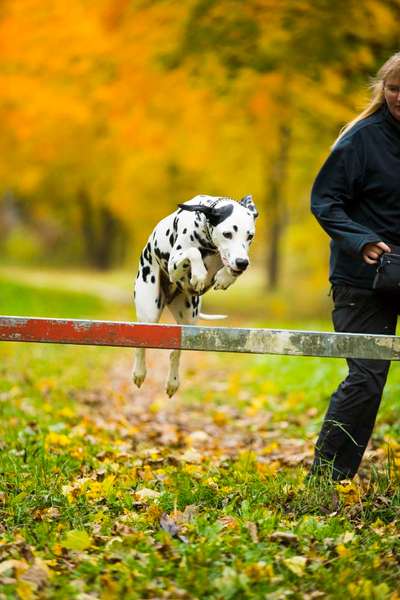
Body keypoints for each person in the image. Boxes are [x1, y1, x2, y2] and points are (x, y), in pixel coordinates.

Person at [310, 52, 400, 480]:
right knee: (365, 380)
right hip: (361, 282)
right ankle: (327, 478)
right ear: (382, 90)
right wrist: (360, 240)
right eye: (394, 87)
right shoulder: (361, 139)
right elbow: (325, 201)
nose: (399, 97)